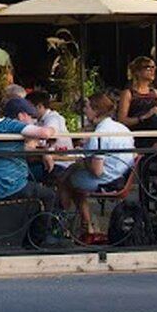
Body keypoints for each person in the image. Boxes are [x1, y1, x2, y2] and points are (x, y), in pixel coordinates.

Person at [59, 93, 135, 241]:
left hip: (107, 180)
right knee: (73, 173)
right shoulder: (122, 128)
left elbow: (97, 171)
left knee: (65, 180)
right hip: (123, 176)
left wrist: (84, 160)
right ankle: (86, 224)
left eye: (87, 107)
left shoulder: (99, 134)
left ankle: (66, 224)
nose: (85, 110)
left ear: (96, 110)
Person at [0, 97, 58, 244]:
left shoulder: (2, 127)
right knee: (49, 195)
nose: (33, 121)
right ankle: (37, 241)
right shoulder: (11, 124)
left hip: (0, 183)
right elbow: (45, 133)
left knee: (40, 185)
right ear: (21, 115)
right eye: (31, 116)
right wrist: (54, 128)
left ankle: (32, 235)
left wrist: (43, 153)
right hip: (7, 186)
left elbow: (24, 148)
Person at [118, 55, 157, 190]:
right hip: (141, 136)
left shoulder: (154, 92)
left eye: (154, 67)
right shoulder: (128, 93)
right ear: (138, 71)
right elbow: (122, 120)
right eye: (148, 68)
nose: (152, 70)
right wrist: (144, 117)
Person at [26, 90, 73, 183]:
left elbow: (50, 137)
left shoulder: (53, 118)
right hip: (47, 161)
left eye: (29, 107)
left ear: (39, 106)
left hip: (60, 164)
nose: (27, 111)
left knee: (23, 174)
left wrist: (34, 143)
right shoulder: (39, 120)